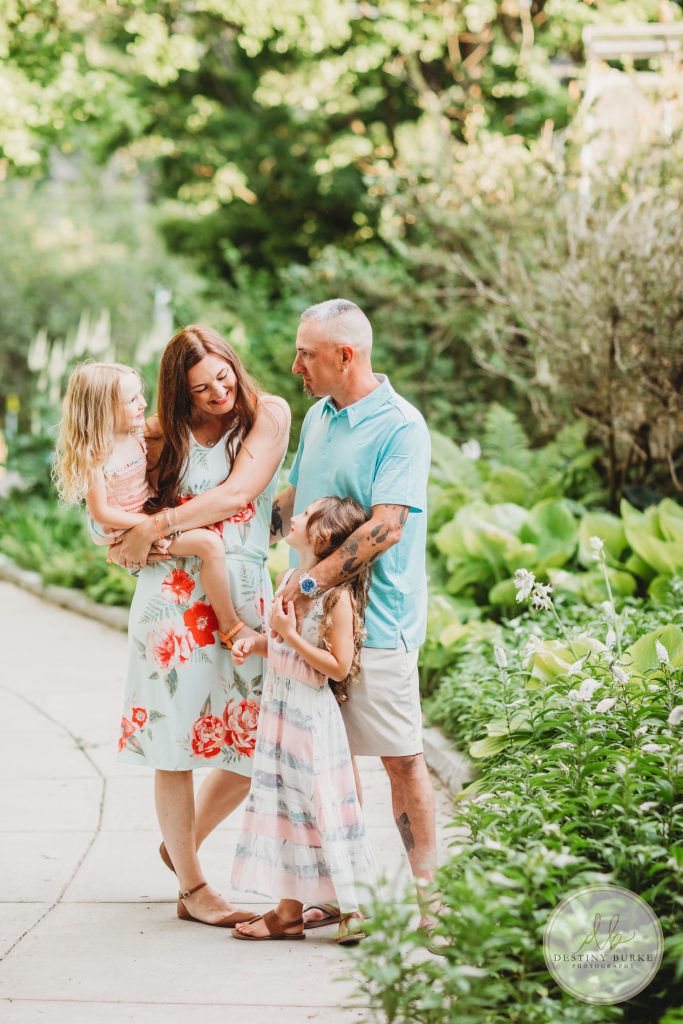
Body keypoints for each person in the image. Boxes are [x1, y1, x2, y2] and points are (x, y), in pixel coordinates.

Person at [106, 325, 290, 927]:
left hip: (245, 595)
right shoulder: (157, 435)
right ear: (178, 392)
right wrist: (130, 540)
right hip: (173, 601)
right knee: (176, 744)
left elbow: (239, 492)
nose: (218, 392)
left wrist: (155, 528)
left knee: (257, 738)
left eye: (223, 375)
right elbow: (113, 517)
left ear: (235, 364)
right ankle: (192, 886)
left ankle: (178, 845)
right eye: (200, 387)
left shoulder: (268, 415)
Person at [271, 298, 437, 935]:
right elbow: (295, 496)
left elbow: (386, 526)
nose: (296, 365)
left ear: (347, 355)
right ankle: (353, 898)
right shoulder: (318, 414)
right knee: (327, 763)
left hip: (381, 622)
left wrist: (310, 581)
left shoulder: (402, 426)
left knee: (401, 761)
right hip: (309, 625)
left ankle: (432, 909)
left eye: (307, 354)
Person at [229, 496, 377, 942]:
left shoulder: (336, 598)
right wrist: (256, 645)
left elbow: (336, 666)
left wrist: (290, 636)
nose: (291, 517)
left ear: (321, 535)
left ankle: (355, 907)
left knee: (323, 807)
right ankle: (288, 912)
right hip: (279, 713)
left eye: (304, 514)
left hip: (310, 717)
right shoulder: (288, 578)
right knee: (285, 809)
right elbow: (279, 643)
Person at [54, 361, 259, 650]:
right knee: (209, 544)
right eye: (132, 400)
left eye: (140, 395)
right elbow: (101, 513)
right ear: (104, 409)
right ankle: (231, 626)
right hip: (123, 526)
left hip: (147, 515)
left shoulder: (138, 436)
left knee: (204, 526)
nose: (144, 403)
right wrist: (149, 525)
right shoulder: (96, 453)